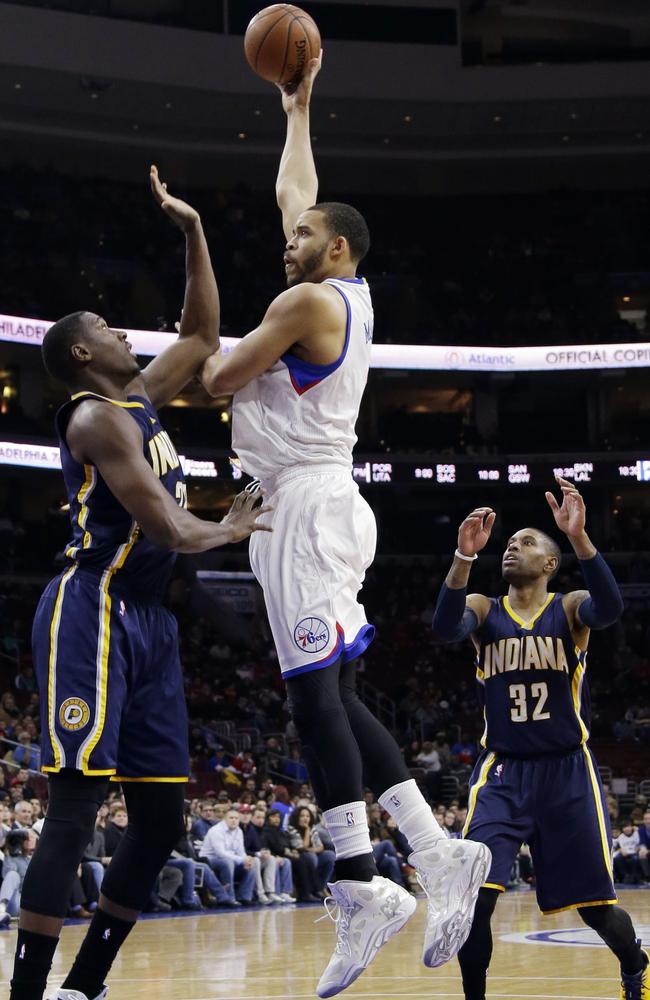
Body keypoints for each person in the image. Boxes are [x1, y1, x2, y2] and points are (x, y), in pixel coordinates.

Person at [200, 53, 489, 998]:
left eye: (303, 238)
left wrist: (205, 345)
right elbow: (299, 189)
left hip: (306, 507)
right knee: (330, 699)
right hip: (322, 502)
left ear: (338, 250)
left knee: (315, 703)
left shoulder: (305, 301)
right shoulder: (344, 291)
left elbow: (212, 378)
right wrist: (297, 106)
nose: (288, 242)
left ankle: (398, 869)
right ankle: (398, 867)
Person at [9, 168, 270, 1000]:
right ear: (85, 353)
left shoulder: (145, 397)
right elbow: (165, 524)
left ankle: (84, 987)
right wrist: (230, 526)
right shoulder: (95, 418)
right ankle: (25, 993)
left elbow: (201, 333)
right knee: (76, 806)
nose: (128, 335)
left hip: (150, 621)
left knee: (159, 821)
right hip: (92, 608)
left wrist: (192, 230)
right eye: (109, 329)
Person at [431, 478, 649, 1000]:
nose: (512, 546)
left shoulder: (570, 608)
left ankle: (636, 964)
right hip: (502, 773)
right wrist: (463, 557)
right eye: (510, 543)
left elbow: (611, 608)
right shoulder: (484, 609)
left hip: (567, 772)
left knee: (596, 908)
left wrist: (579, 537)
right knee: (474, 900)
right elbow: (445, 628)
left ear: (550, 563)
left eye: (527, 542)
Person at [199, 807, 257, 905]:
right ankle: (229, 898)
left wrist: (246, 860)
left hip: (230, 859)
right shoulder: (216, 830)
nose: (234, 820)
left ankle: (244, 897)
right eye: (231, 818)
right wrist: (242, 859)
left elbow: (241, 852)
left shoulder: (239, 831)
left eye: (236, 818)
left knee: (253, 863)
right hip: (210, 859)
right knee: (227, 862)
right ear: (224, 819)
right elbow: (220, 853)